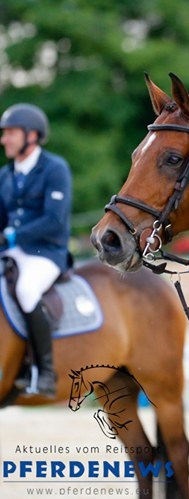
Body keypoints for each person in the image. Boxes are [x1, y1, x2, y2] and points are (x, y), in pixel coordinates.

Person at [0, 103, 72, 398]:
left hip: (46, 254)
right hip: (12, 251)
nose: (4, 139)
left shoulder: (54, 169)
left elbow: (54, 220)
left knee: (27, 291)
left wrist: (14, 235)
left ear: (31, 136)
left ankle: (45, 372)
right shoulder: (6, 175)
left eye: (11, 133)